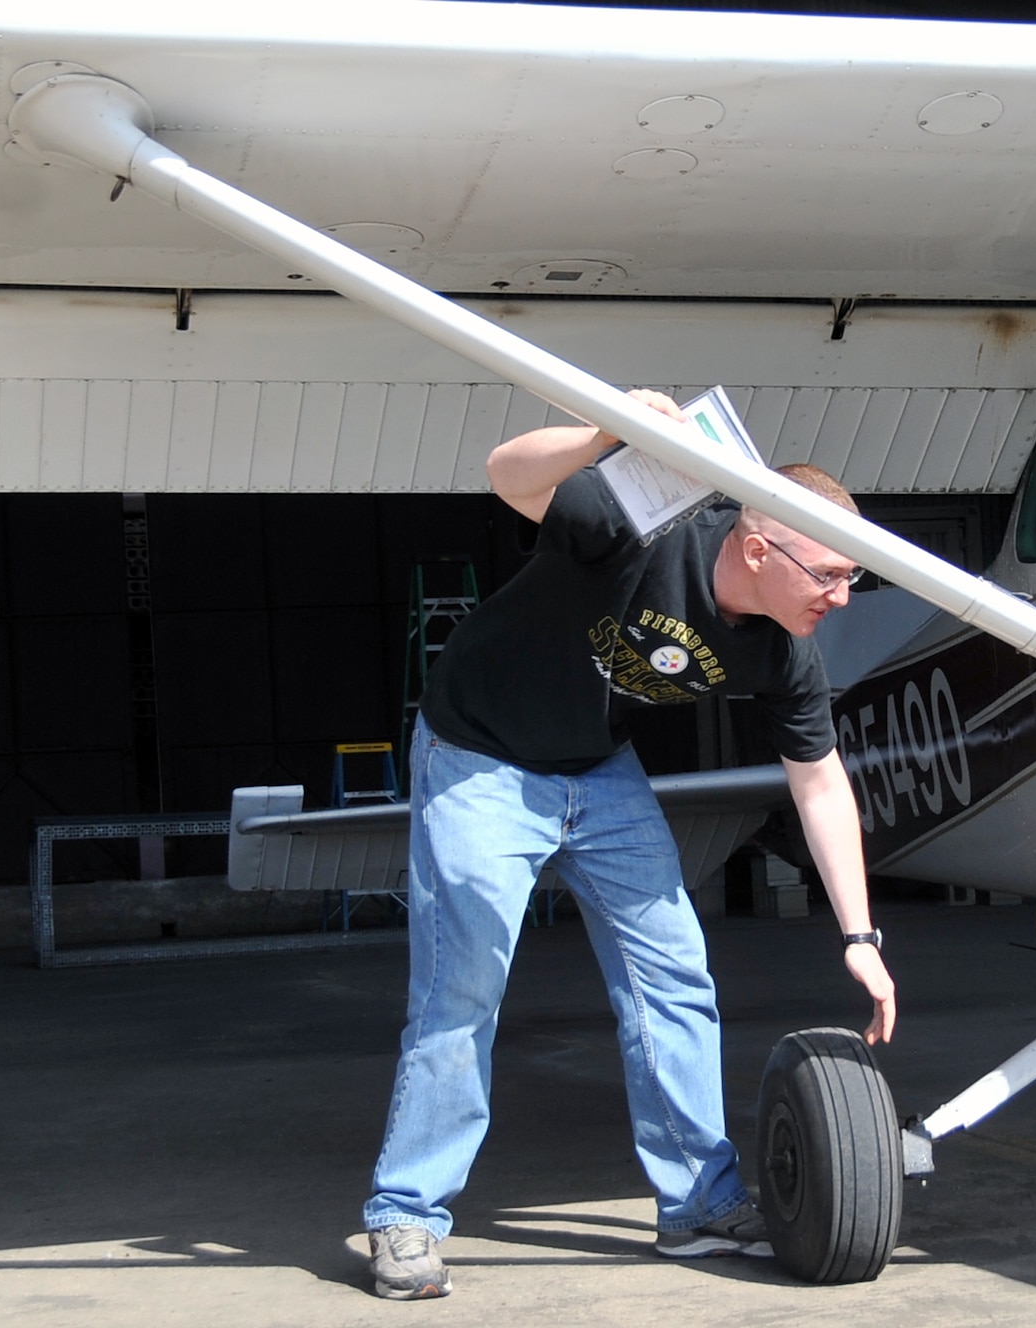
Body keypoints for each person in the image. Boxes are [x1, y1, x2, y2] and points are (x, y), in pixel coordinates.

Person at [362, 389, 897, 1300]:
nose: (843, 599)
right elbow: (506, 477)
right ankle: (406, 1212)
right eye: (831, 577)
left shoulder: (782, 646)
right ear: (759, 547)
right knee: (466, 979)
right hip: (481, 755)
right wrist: (606, 433)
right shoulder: (647, 520)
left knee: (674, 974)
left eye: (854, 578)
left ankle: (696, 1205)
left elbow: (818, 778)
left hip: (597, 769)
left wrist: (860, 937)